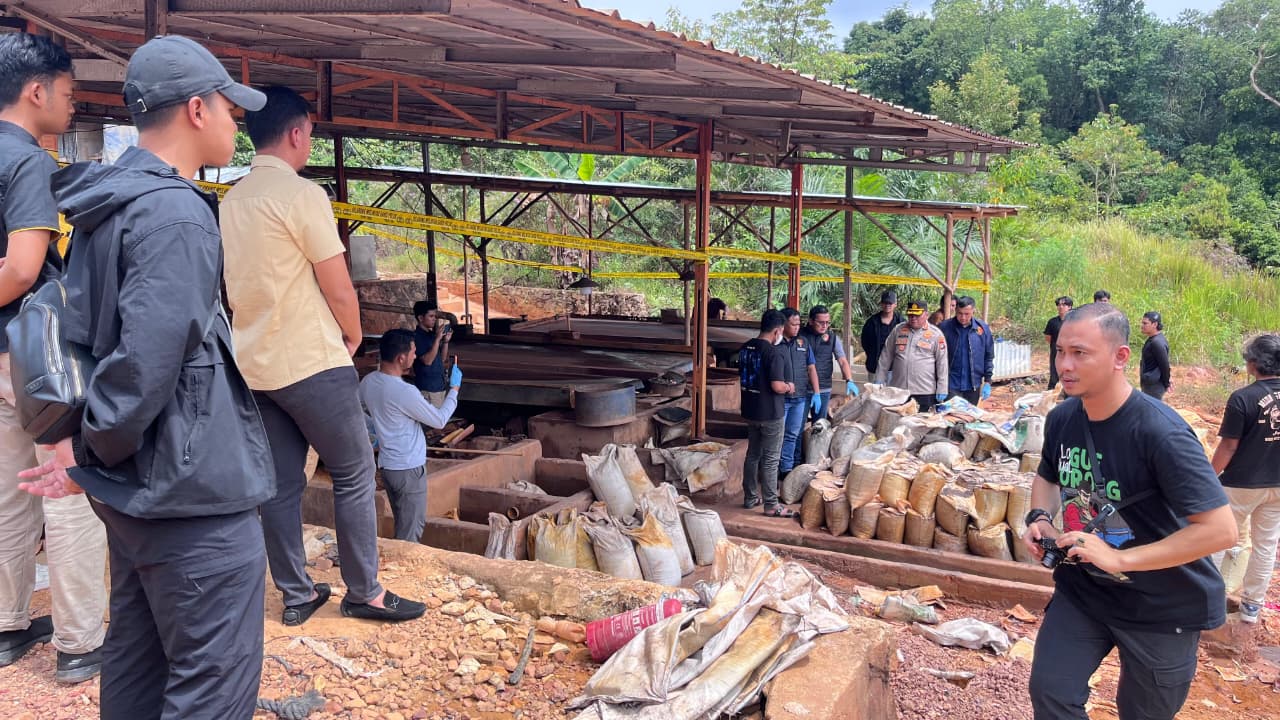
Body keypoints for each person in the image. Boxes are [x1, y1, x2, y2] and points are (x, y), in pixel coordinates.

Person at [22, 35, 277, 718]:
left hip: (140, 494)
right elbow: (145, 363)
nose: (235, 124)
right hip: (190, 496)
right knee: (211, 687)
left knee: (138, 668)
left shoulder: (109, 202)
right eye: (229, 109)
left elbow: (92, 341)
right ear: (196, 110)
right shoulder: (175, 215)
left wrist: (87, 450)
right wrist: (90, 447)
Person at [221, 85, 425, 625]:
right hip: (310, 360)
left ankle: (296, 593)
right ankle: (364, 592)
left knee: (281, 484)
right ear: (296, 133)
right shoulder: (301, 196)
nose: (309, 142)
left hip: (255, 365)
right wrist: (353, 337)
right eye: (310, 133)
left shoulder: (232, 201)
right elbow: (338, 286)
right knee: (354, 470)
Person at [1021, 302, 1236, 720]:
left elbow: (1220, 530)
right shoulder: (1063, 418)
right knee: (1051, 692)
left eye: (1080, 353)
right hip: (1085, 591)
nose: (1064, 364)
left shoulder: (1161, 432)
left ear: (1120, 357)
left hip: (1162, 606)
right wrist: (1040, 519)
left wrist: (1120, 558)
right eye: (1060, 351)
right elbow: (1047, 477)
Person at [0, 33, 107, 684]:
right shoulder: (27, 162)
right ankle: (79, 642)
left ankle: (7, 626)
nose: (73, 105)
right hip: (33, 358)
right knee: (66, 489)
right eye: (68, 93)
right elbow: (21, 270)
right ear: (36, 91)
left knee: (9, 492)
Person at [359, 330, 462, 542]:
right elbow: (439, 420)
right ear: (401, 358)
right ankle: (400, 562)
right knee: (411, 531)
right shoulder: (404, 392)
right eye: (413, 352)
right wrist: (454, 389)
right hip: (408, 469)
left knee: (403, 523)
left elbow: (355, 410)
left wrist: (374, 428)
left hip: (388, 467)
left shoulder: (369, 382)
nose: (416, 356)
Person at [1211, 334, 1280, 624]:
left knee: (1218, 538)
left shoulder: (1243, 398)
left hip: (1240, 483)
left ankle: (1208, 598)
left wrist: (1209, 476)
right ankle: (1252, 606)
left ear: (1253, 363)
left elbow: (1228, 446)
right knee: (1266, 544)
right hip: (1277, 484)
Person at [738, 310, 794, 518]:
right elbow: (777, 386)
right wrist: (789, 387)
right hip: (770, 412)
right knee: (771, 459)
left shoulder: (745, 348)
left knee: (753, 455)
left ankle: (750, 497)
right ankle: (771, 504)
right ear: (777, 331)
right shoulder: (773, 353)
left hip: (750, 409)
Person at [874, 300, 948, 411]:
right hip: (899, 390)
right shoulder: (898, 330)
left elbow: (942, 363)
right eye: (910, 315)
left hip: (924, 391)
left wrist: (942, 387)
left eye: (917, 315)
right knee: (897, 419)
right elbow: (886, 356)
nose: (913, 318)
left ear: (926, 315)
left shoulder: (936, 334)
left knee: (921, 420)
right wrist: (880, 378)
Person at [777, 307, 820, 478]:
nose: (796, 327)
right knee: (777, 435)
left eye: (798, 324)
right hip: (780, 398)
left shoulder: (803, 342)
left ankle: (785, 469)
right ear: (783, 324)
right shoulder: (776, 343)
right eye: (793, 324)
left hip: (800, 397)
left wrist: (816, 392)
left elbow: (811, 368)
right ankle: (772, 468)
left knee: (792, 435)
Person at [799, 305, 859, 420]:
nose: (824, 326)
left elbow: (842, 360)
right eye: (821, 322)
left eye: (827, 322)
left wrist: (849, 380)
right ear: (811, 321)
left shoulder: (832, 337)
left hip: (823, 388)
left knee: (820, 425)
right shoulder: (800, 336)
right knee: (798, 425)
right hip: (802, 389)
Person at [939, 296, 994, 406]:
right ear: (955, 310)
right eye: (960, 313)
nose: (963, 317)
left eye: (967, 314)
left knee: (969, 414)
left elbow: (988, 355)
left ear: (973, 311)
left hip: (973, 385)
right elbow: (936, 356)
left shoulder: (982, 329)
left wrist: (988, 381)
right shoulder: (944, 327)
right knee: (953, 415)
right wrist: (939, 384)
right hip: (951, 384)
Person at [412, 300, 451, 407]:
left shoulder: (431, 335)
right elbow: (427, 361)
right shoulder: (416, 337)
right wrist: (437, 339)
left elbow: (442, 359)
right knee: (435, 417)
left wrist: (445, 341)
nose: (434, 319)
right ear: (421, 318)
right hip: (428, 388)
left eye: (435, 316)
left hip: (439, 385)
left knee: (440, 416)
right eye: (431, 316)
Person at [860, 290, 902, 377]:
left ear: (895, 304)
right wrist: (872, 355)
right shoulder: (871, 322)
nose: (887, 305)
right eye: (885, 303)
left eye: (890, 303)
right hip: (875, 367)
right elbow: (865, 342)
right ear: (881, 304)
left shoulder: (901, 322)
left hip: (895, 368)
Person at [1139, 311, 1171, 400]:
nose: (1142, 326)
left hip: (1154, 386)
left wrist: (1167, 383)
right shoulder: (1153, 340)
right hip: (1150, 384)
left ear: (1155, 324)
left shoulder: (1157, 342)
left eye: (1145, 323)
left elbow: (1164, 365)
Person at [1044, 296, 1073, 391]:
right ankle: (1051, 393)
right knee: (1054, 374)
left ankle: (1069, 393)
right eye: (1059, 305)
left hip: (1071, 352)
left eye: (1064, 305)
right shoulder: (1052, 322)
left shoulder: (1074, 321)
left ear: (1069, 307)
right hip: (1056, 352)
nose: (1061, 307)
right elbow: (1048, 338)